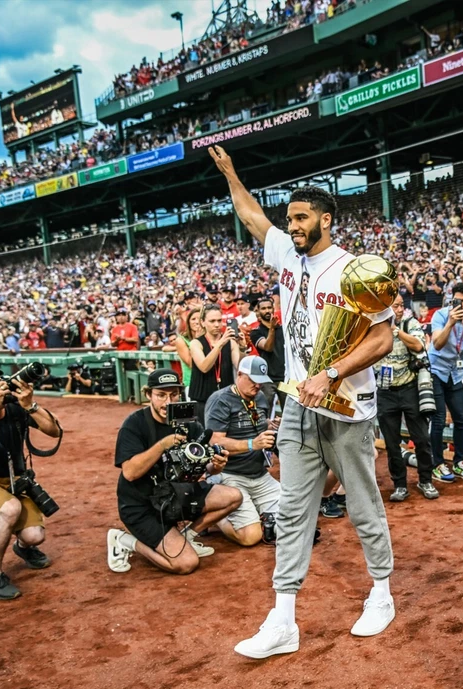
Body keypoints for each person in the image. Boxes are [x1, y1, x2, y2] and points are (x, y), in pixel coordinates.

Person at [210, 144, 397, 659]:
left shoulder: (354, 269)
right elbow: (251, 217)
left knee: (361, 503)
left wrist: (331, 373)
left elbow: (383, 339)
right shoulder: (286, 256)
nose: (291, 226)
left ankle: (381, 592)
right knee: (292, 509)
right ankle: (283, 618)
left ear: (325, 219)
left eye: (300, 218)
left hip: (348, 408)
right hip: (297, 405)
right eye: (289, 218)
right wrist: (231, 174)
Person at [107, 369, 242, 576]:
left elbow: (205, 465)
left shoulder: (188, 422)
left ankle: (186, 537)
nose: (168, 402)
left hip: (175, 496)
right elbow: (130, 473)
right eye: (161, 395)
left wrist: (216, 465)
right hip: (141, 506)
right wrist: (163, 444)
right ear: (148, 394)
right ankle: (125, 540)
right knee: (186, 563)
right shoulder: (135, 424)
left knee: (233, 497)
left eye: (173, 394)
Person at [0, 370, 63, 600]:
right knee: (10, 509)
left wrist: (30, 405)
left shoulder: (14, 408)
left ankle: (23, 547)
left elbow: (55, 431)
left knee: (34, 536)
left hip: (13, 481)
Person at [205, 356, 278, 546]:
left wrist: (269, 424)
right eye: (253, 380)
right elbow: (215, 441)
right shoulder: (221, 400)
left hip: (259, 475)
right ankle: (216, 515)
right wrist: (252, 444)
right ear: (239, 375)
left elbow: (255, 422)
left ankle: (252, 509)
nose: (257, 386)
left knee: (294, 516)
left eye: (261, 381)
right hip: (230, 476)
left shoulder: (259, 397)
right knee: (251, 536)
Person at [375, 295, 439, 502]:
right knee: (391, 443)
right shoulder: (373, 325)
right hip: (385, 390)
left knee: (421, 438)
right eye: (396, 306)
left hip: (409, 387)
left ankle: (425, 480)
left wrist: (396, 331)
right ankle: (400, 485)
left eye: (402, 305)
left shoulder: (409, 323)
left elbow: (419, 346)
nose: (400, 309)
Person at [428, 282, 463, 484]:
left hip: (456, 373)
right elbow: (437, 344)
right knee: (439, 419)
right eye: (456, 301)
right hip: (436, 370)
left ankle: (460, 461)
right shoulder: (441, 315)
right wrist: (450, 324)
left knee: (461, 418)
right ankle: (437, 463)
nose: (460, 305)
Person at [188, 304, 241, 424]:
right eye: (212, 321)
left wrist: (243, 347)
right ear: (203, 322)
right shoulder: (196, 343)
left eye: (219, 320)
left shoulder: (230, 342)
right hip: (202, 399)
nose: (217, 325)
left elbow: (239, 366)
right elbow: (204, 367)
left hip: (225, 398)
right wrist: (220, 343)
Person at [249, 296, 286, 413]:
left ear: (273, 309)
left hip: (285, 377)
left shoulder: (284, 329)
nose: (267, 311)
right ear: (258, 311)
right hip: (267, 378)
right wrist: (272, 329)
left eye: (269, 308)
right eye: (263, 308)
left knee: (289, 413)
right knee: (264, 412)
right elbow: (267, 347)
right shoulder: (255, 332)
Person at [173, 308, 203, 390]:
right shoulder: (181, 340)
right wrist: (197, 340)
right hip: (192, 382)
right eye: (193, 319)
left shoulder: (210, 338)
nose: (197, 322)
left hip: (209, 381)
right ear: (188, 323)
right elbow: (191, 364)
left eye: (199, 318)